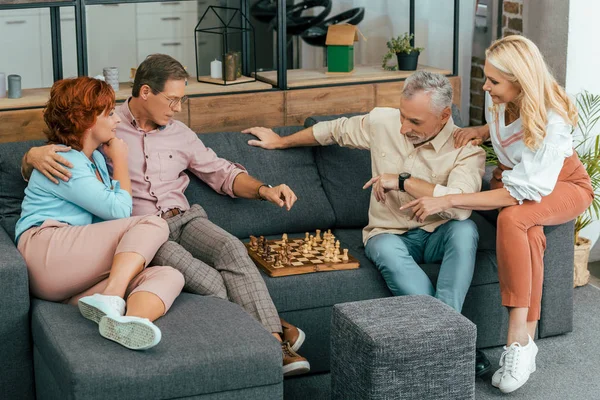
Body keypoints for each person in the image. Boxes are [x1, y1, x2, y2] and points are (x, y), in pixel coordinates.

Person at [21, 54, 309, 376]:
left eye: (181, 100)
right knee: (207, 280)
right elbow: (69, 145)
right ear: (146, 92)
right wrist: (31, 155)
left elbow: (221, 172)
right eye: (172, 100)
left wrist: (263, 189)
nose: (177, 108)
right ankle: (275, 337)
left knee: (232, 249)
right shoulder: (104, 123)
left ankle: (274, 341)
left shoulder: (180, 133)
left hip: (184, 219)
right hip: (141, 235)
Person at [242, 70, 491, 375]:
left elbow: (461, 203)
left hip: (440, 233)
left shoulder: (467, 149)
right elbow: (332, 131)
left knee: (466, 230)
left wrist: (404, 182)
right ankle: (454, 340)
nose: (403, 128)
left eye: (414, 122)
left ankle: (443, 339)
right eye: (403, 116)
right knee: (384, 248)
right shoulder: (382, 122)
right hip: (389, 234)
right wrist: (282, 142)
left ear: (444, 116)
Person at [404, 36, 594, 393]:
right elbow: (509, 136)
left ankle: (515, 342)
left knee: (515, 218)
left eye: (493, 81)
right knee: (528, 230)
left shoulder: (553, 118)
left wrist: (447, 200)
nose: (485, 86)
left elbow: (522, 191)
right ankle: (527, 343)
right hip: (517, 182)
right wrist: (481, 131)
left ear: (520, 80)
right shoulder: (499, 102)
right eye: (486, 77)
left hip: (565, 185)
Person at [16, 77, 185, 351]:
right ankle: (113, 295)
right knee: (152, 223)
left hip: (72, 272)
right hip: (46, 252)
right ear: (86, 120)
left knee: (169, 275)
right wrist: (120, 159)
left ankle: (127, 323)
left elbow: (106, 217)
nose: (117, 119)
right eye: (108, 114)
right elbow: (119, 213)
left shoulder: (93, 158)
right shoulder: (63, 160)